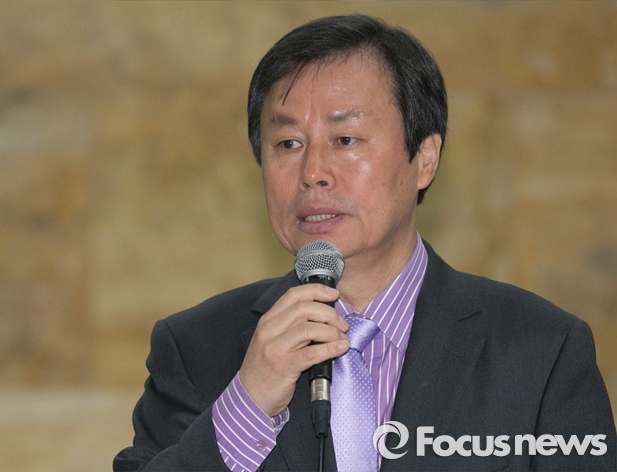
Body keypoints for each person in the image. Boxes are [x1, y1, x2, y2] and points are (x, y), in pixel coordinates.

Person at [113, 14, 616, 471]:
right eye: (288, 143)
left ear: (425, 158)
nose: (313, 172)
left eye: (345, 140)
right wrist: (246, 405)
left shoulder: (541, 351)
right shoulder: (195, 349)